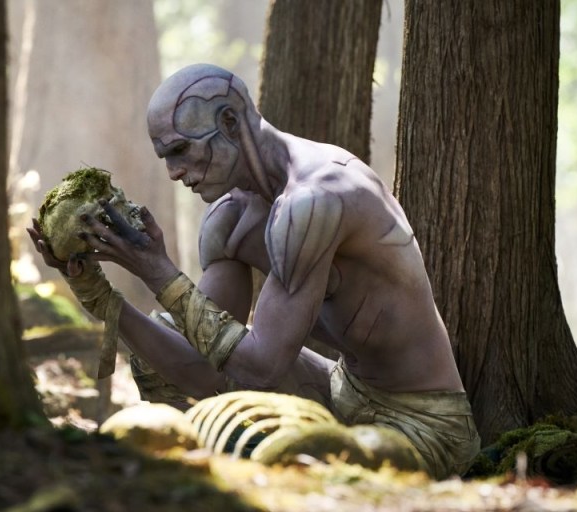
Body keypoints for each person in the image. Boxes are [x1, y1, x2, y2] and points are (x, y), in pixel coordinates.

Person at [28, 63, 479, 478]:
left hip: (424, 426)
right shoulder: (230, 218)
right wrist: (98, 293)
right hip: (341, 393)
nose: (172, 172)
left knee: (265, 464)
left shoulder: (316, 199)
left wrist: (158, 272)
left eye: (181, 150)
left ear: (229, 122)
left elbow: (260, 370)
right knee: (156, 361)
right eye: (165, 155)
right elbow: (206, 368)